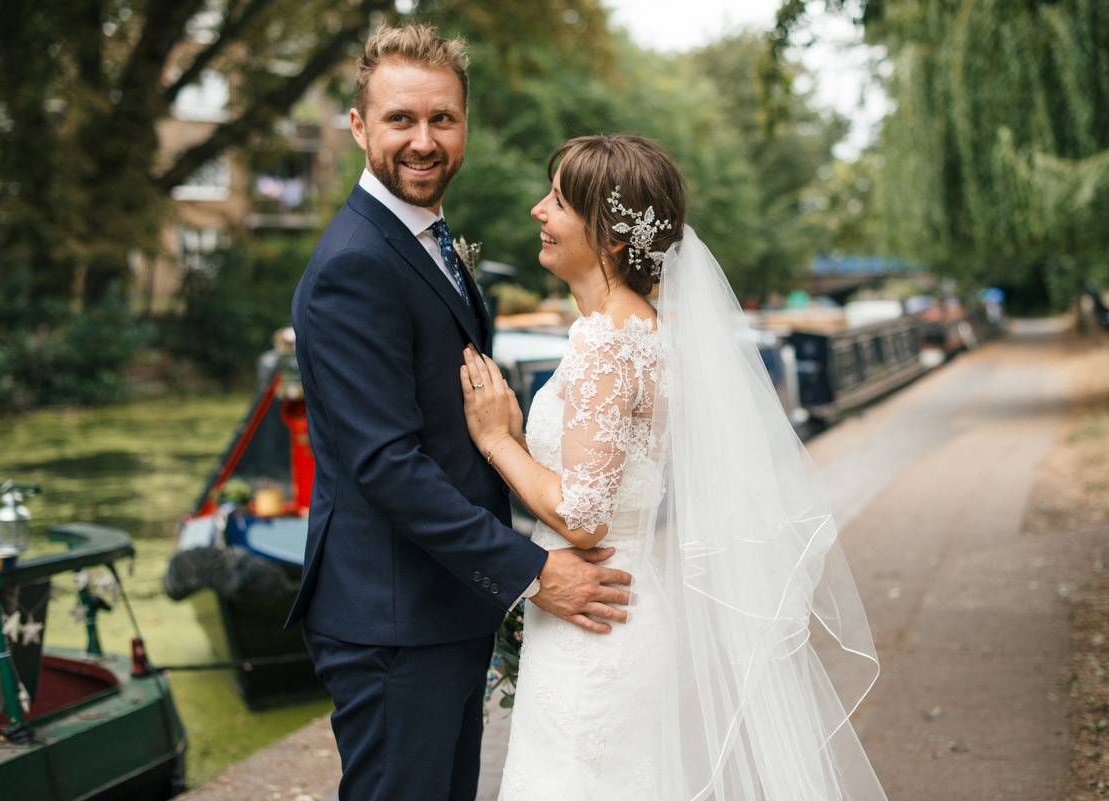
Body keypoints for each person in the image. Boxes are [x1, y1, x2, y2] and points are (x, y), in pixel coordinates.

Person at [461, 134, 889, 800]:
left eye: (557, 200)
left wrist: (497, 440)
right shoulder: (644, 331)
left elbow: (582, 512)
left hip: (595, 624)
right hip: (615, 608)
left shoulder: (608, 344)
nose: (538, 212)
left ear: (606, 235)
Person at [286, 27, 634, 801]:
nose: (423, 140)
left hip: (439, 604)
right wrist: (533, 571)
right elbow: (384, 463)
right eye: (400, 119)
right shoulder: (354, 265)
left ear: (465, 125)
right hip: (391, 616)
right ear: (357, 126)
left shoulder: (425, 241)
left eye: (442, 119)